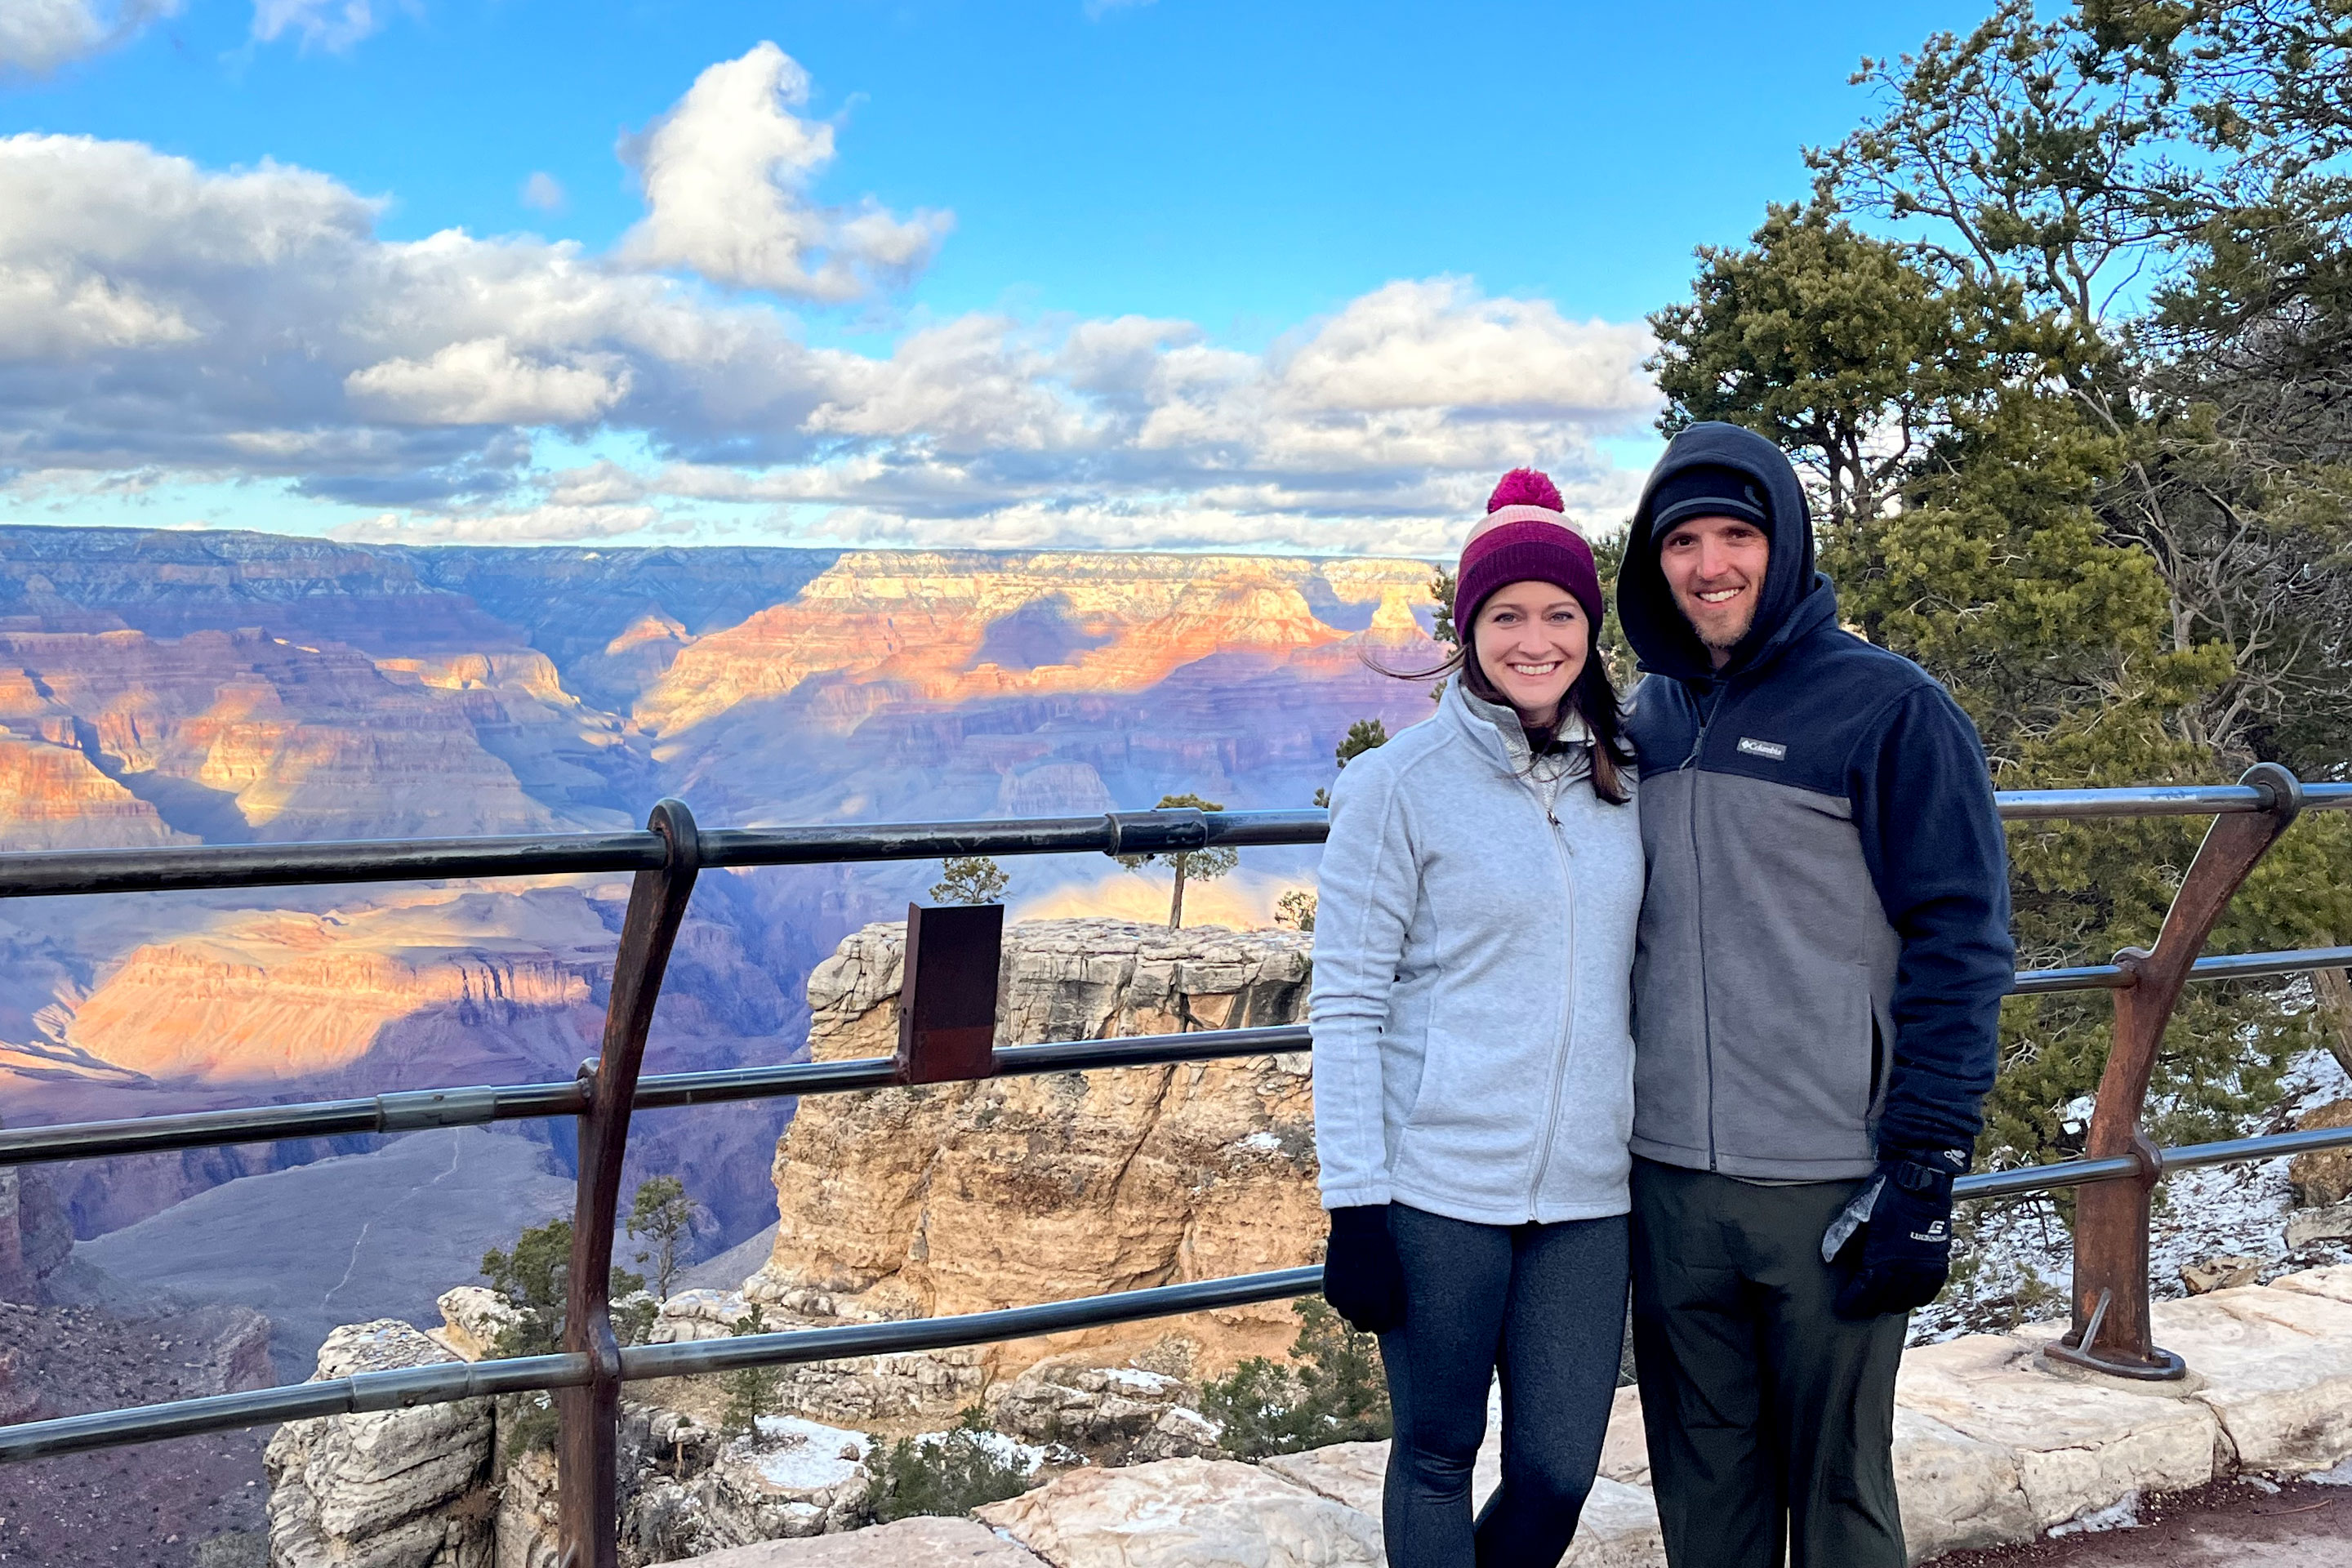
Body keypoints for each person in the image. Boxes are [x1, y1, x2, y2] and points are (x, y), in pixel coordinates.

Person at [1612, 422, 2014, 1567]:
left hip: (1829, 1183)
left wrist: (1927, 1165)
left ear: (1782, 543)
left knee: (1840, 1498)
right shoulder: (1647, 719)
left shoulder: (1890, 710)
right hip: (1671, 1182)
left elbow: (1963, 940)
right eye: (1682, 540)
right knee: (1704, 1497)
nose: (1709, 565)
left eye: (1736, 533)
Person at [1309, 467, 1644, 1567]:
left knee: (1557, 1474)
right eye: (1507, 616)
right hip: (1437, 1184)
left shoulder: (1629, 781)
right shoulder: (1395, 784)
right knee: (1440, 1452)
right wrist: (1355, 1204)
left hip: (1589, 1193)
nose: (1535, 638)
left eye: (1560, 615)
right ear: (1468, 631)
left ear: (1590, 631)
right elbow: (1349, 1004)